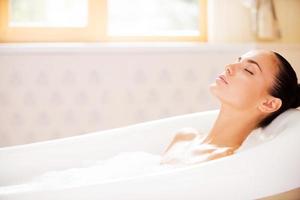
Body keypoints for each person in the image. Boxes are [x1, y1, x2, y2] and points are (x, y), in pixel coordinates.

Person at [160, 49, 300, 166]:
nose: (229, 67)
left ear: (268, 104)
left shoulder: (226, 160)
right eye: (237, 60)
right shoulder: (184, 137)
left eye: (248, 70)